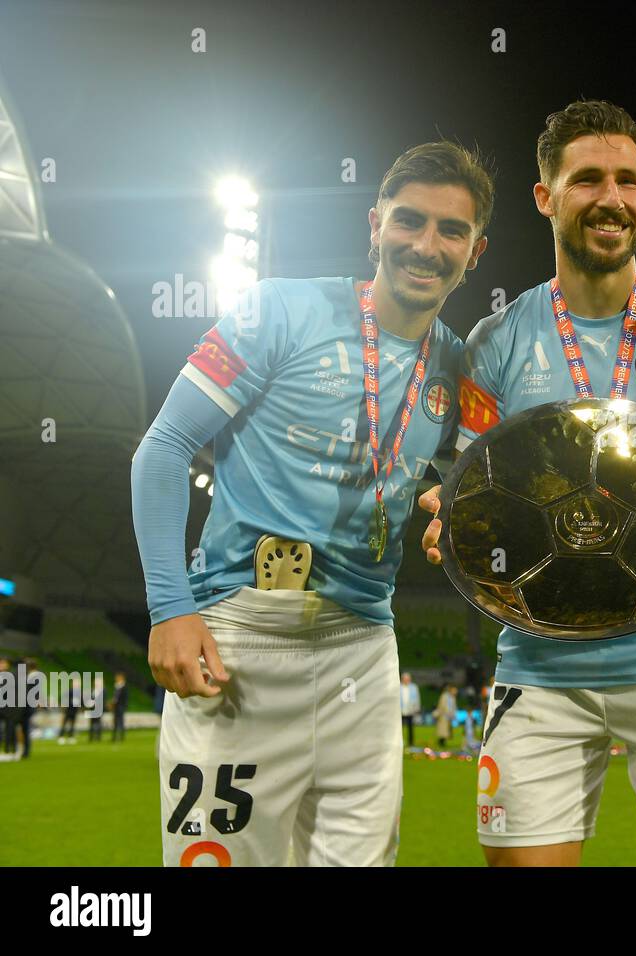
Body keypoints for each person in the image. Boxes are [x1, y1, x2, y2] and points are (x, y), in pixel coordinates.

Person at [422, 100, 636, 867]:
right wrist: (451, 516)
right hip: (540, 672)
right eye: (588, 180)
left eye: (629, 180)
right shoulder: (497, 340)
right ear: (545, 197)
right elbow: (470, 482)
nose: (613, 198)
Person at [130, 141, 492, 866]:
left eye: (451, 231)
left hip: (362, 647)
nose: (427, 245)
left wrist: (457, 508)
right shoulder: (277, 310)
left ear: (476, 250)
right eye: (409, 221)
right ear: (375, 223)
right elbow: (163, 448)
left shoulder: (459, 366)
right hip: (240, 636)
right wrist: (171, 609)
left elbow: (474, 484)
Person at [399, 672, 421, 748]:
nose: (407, 680)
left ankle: (411, 743)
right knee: (399, 728)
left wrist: (417, 708)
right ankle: (399, 741)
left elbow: (417, 698)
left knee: (410, 728)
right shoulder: (398, 687)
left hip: (410, 711)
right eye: (405, 679)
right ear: (402, 679)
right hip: (400, 711)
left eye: (408, 679)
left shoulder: (414, 687)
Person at [58, 675, 81, 744]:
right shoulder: (69, 691)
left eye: (78, 683)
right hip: (68, 709)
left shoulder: (80, 692)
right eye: (76, 683)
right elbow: (62, 698)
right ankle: (61, 737)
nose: (77, 684)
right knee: (64, 723)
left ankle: (71, 737)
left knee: (73, 724)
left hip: (75, 710)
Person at [434, 685, 456, 749]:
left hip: (449, 716)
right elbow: (442, 705)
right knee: (442, 730)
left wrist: (452, 714)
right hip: (443, 715)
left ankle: (443, 742)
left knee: (446, 730)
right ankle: (441, 742)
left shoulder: (452, 697)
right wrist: (448, 712)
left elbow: (453, 707)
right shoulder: (444, 696)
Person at [111, 673, 129, 743]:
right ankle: (114, 737)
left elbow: (125, 698)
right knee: (115, 722)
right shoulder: (117, 686)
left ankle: (121, 737)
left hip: (121, 706)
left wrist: (125, 706)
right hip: (116, 707)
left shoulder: (124, 686)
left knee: (120, 722)